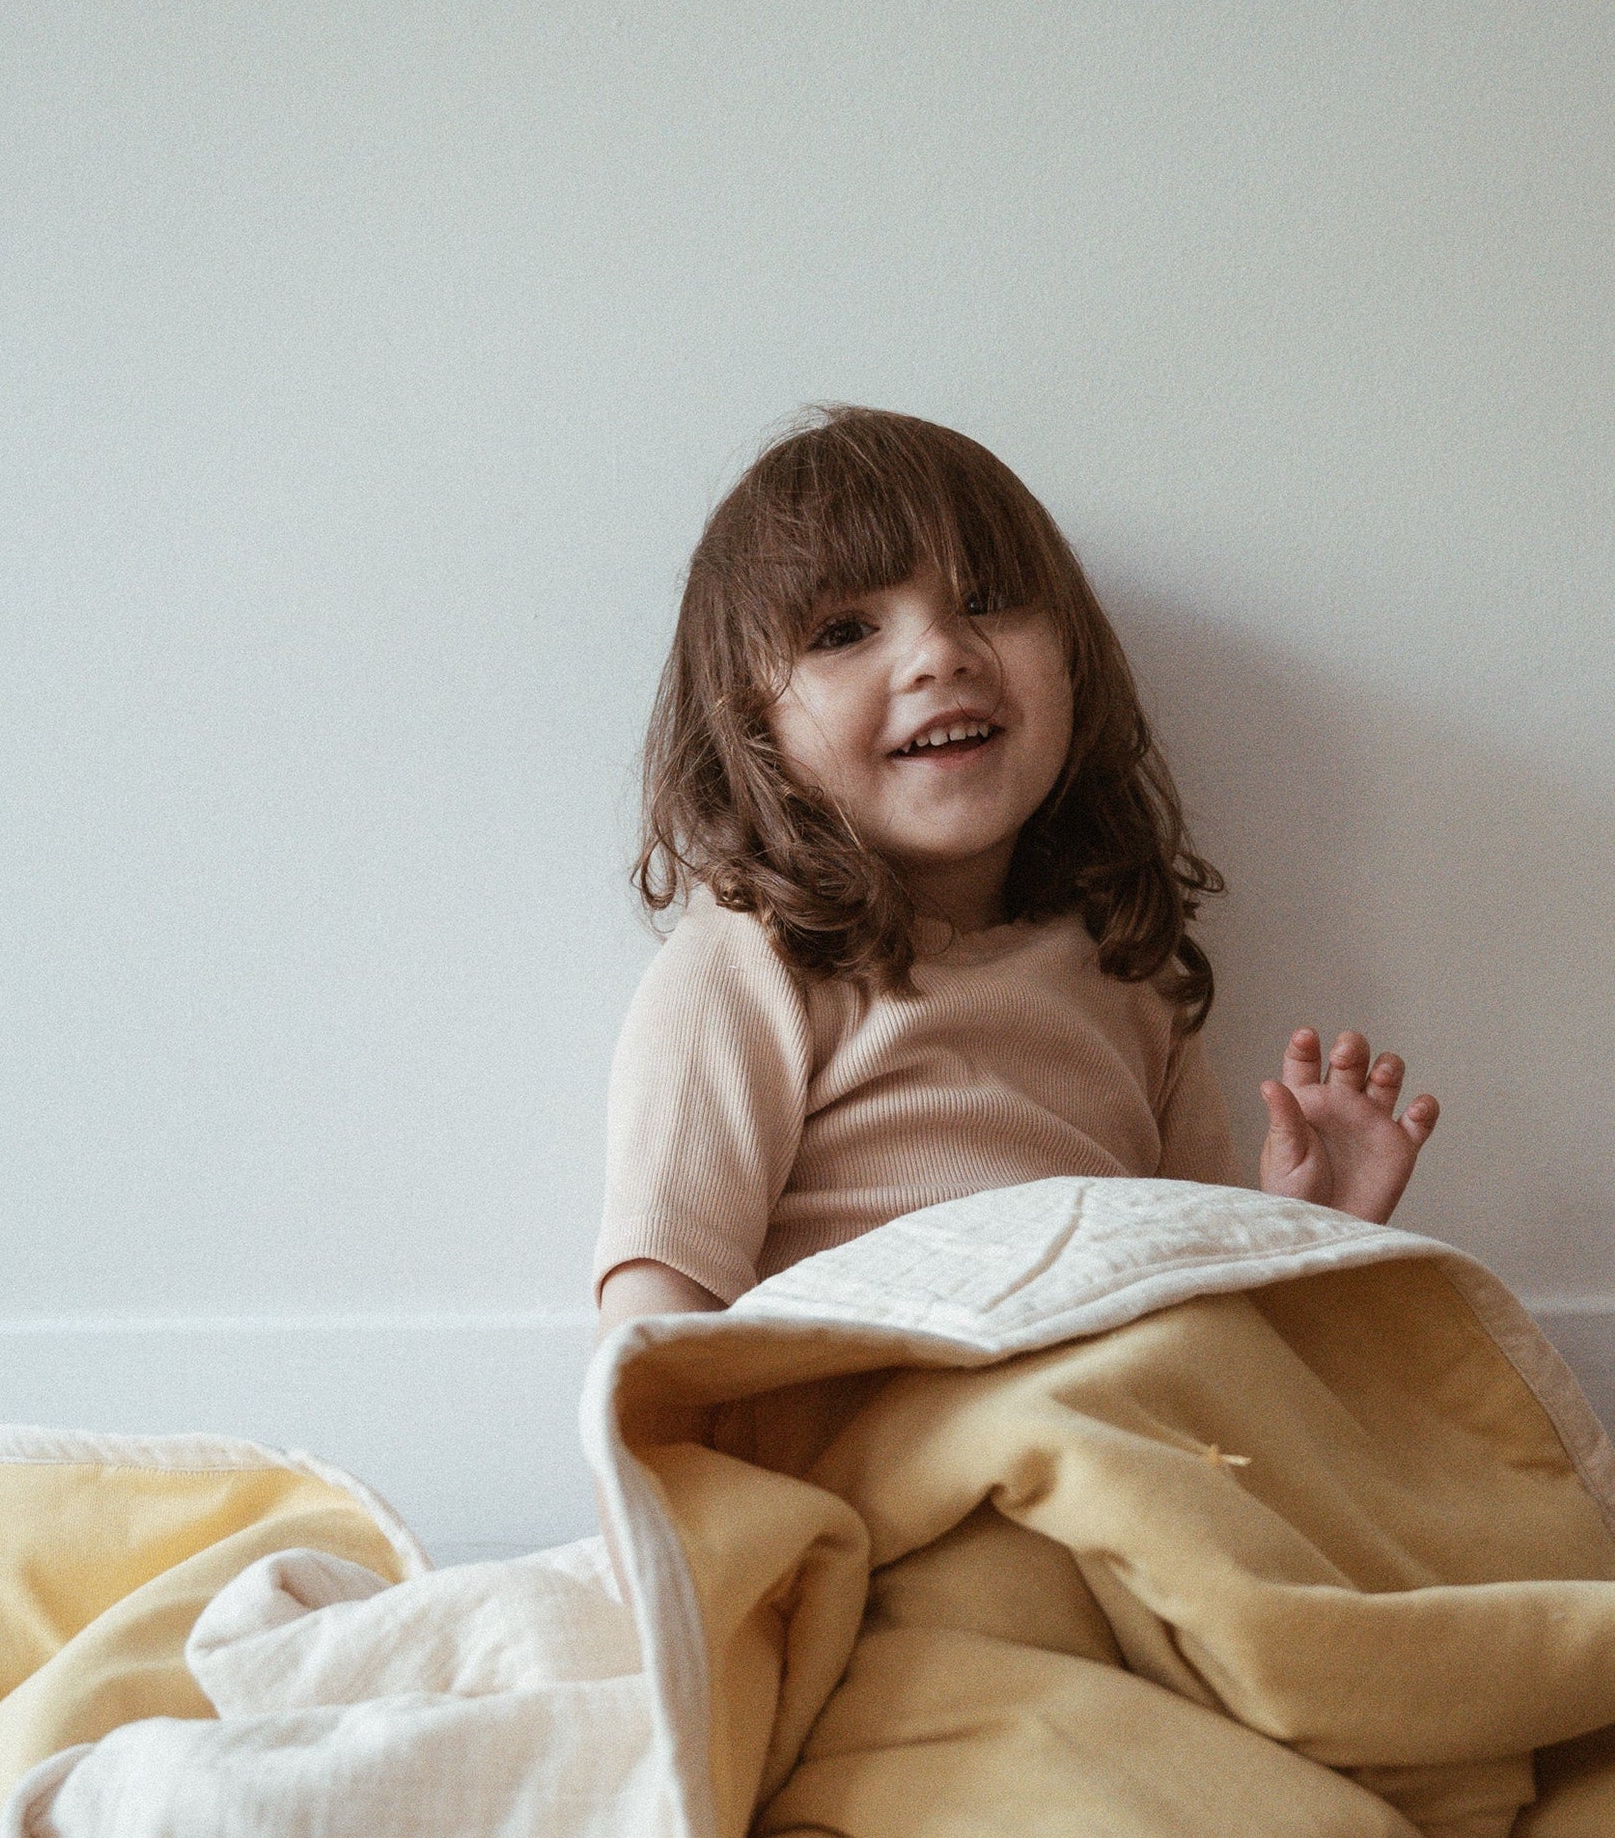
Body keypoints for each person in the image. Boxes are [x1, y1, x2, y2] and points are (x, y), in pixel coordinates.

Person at [595, 407, 1438, 1334]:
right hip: (879, 1438)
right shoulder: (751, 964)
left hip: (1105, 1421)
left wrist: (1305, 1233)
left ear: (1075, 658)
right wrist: (665, 1480)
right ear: (751, 725)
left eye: (988, 598)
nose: (943, 653)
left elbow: (1196, 1318)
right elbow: (656, 1321)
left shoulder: (1130, 975)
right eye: (843, 631)